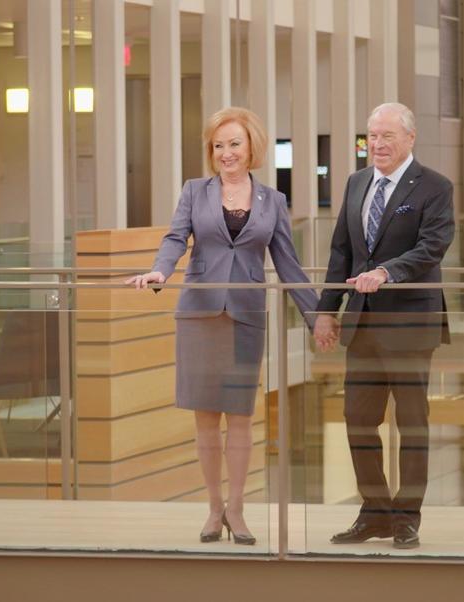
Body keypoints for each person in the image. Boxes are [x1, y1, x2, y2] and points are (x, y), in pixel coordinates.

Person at [126, 107, 319, 546]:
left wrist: (315, 315)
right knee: (206, 419)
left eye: (234, 143)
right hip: (199, 313)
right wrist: (160, 271)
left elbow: (287, 263)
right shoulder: (195, 191)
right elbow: (176, 238)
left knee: (241, 417)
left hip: (246, 317)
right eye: (218, 145)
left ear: (251, 147)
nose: (226, 153)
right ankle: (213, 509)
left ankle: (237, 507)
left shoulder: (274, 200)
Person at [313, 102, 454, 550]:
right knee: (358, 418)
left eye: (387, 136)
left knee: (411, 423)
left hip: (411, 323)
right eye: (371, 136)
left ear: (410, 138)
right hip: (363, 325)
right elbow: (342, 252)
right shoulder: (357, 183)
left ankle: (407, 517)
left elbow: (433, 246)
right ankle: (375, 512)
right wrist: (325, 310)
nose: (377, 144)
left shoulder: (435, 186)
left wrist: (388, 272)